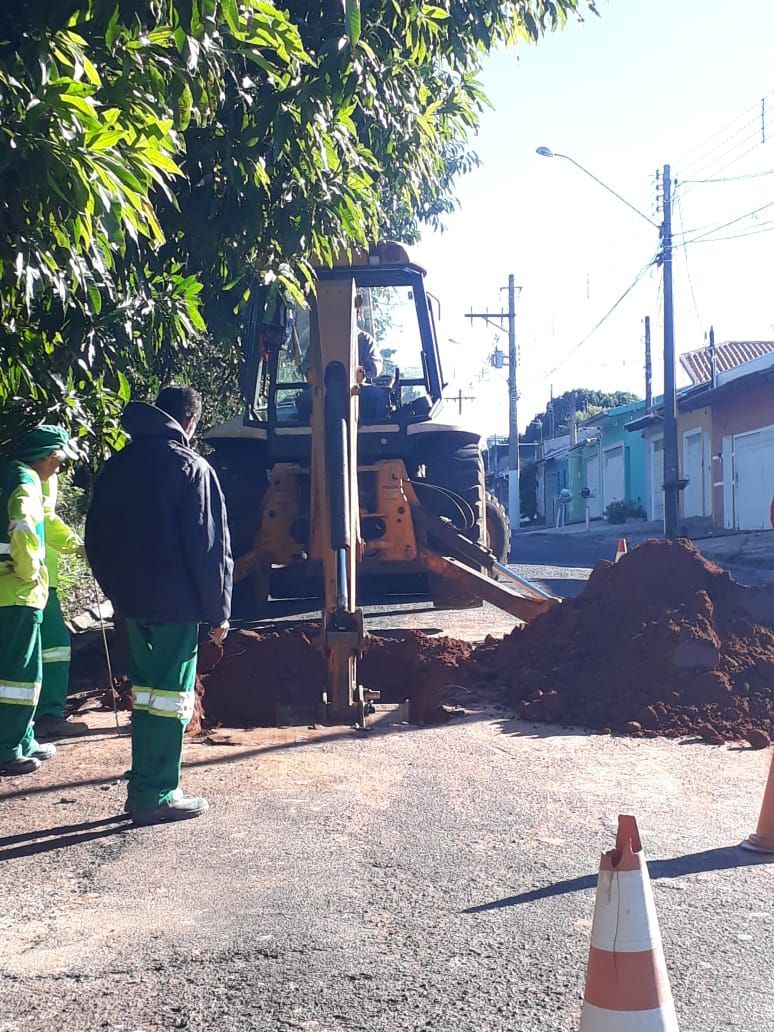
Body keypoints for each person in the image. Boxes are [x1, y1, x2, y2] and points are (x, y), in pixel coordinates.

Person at [85, 385, 233, 826]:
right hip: (176, 607)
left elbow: (96, 540)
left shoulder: (116, 467)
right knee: (169, 699)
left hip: (132, 605)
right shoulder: (192, 468)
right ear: (190, 423)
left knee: (147, 696)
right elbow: (209, 548)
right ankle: (157, 793)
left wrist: (116, 594)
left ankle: (144, 786)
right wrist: (218, 611)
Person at [0, 425, 77, 776]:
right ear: (48, 457)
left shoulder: (13, 472)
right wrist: (30, 570)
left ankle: (24, 737)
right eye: (59, 463)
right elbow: (24, 525)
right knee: (20, 674)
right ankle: (8, 747)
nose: (58, 470)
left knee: (25, 668)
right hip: (16, 590)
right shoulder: (26, 481)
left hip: (12, 589)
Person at [34, 472, 88, 738]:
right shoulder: (32, 475)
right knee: (54, 649)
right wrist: (79, 546)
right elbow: (42, 516)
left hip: (31, 576)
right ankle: (48, 714)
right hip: (35, 578)